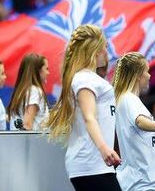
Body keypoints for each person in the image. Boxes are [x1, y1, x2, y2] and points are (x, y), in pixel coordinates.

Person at [47, 24, 121, 191]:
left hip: (96, 165)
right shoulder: (85, 79)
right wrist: (104, 148)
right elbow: (89, 117)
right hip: (91, 164)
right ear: (95, 50)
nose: (107, 49)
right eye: (105, 45)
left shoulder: (89, 78)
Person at [113, 52, 155, 191]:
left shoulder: (128, 100)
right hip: (141, 181)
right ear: (137, 75)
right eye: (147, 71)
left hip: (153, 177)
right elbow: (140, 121)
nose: (150, 75)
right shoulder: (128, 99)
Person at [7, 53, 50, 131]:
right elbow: (27, 125)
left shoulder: (23, 91)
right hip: (31, 142)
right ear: (38, 71)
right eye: (46, 69)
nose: (48, 73)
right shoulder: (34, 92)